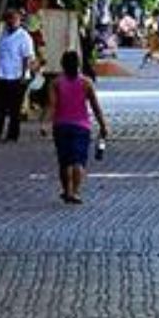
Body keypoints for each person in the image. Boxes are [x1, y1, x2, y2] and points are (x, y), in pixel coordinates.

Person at [46, 50, 109, 205]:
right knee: (78, 160)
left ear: (62, 65)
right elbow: (95, 106)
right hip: (82, 126)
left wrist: (45, 124)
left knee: (65, 161)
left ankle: (67, 190)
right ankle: (75, 191)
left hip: (61, 125)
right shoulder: (86, 82)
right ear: (78, 64)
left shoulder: (56, 83)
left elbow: (52, 106)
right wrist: (103, 125)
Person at [0, 9, 34, 142]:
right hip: (2, 75)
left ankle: (12, 135)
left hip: (17, 77)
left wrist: (23, 75)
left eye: (13, 19)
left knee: (14, 109)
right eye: (8, 18)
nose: (10, 21)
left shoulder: (24, 36)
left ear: (19, 20)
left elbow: (27, 57)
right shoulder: (3, 34)